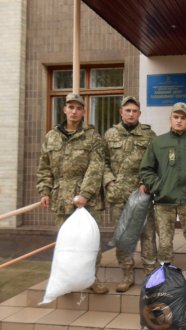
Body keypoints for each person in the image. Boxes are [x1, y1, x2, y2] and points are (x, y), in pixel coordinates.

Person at [36, 93, 108, 294]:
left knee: (89, 241)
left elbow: (96, 167)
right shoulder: (51, 136)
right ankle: (67, 282)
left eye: (78, 108)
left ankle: (92, 279)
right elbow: (44, 167)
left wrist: (85, 194)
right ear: (64, 109)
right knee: (65, 243)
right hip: (61, 198)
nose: (74, 111)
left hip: (88, 199)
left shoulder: (93, 136)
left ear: (84, 111)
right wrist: (44, 191)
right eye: (71, 107)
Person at [139, 102, 186, 296]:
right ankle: (166, 278)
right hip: (164, 201)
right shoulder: (158, 143)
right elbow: (146, 169)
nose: (179, 121)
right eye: (176, 117)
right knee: (165, 243)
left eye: (183, 118)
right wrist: (158, 186)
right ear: (170, 119)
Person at [103, 96, 158, 292]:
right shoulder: (110, 135)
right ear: (121, 112)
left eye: (135, 111)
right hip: (118, 196)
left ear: (139, 114)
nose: (131, 114)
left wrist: (147, 183)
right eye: (128, 110)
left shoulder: (149, 135)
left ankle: (151, 276)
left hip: (141, 194)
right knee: (123, 237)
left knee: (147, 235)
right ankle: (127, 275)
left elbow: (155, 163)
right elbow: (102, 162)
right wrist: (109, 181)